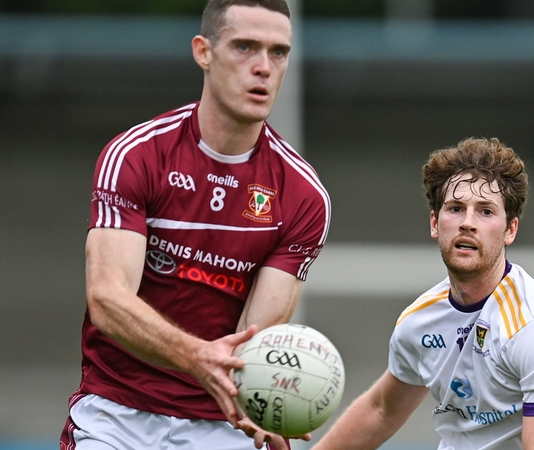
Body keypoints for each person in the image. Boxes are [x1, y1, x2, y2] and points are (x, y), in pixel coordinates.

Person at [59, 1, 330, 449]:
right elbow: (107, 298)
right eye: (245, 47)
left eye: (278, 52)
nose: (263, 67)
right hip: (116, 417)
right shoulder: (136, 155)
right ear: (203, 51)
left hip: (221, 427)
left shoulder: (303, 195)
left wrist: (266, 401)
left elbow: (252, 341)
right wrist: (196, 355)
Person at [312, 138, 534, 450]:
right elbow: (381, 410)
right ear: (435, 223)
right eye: (456, 209)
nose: (467, 224)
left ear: (510, 230)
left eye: (485, 211)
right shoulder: (419, 321)